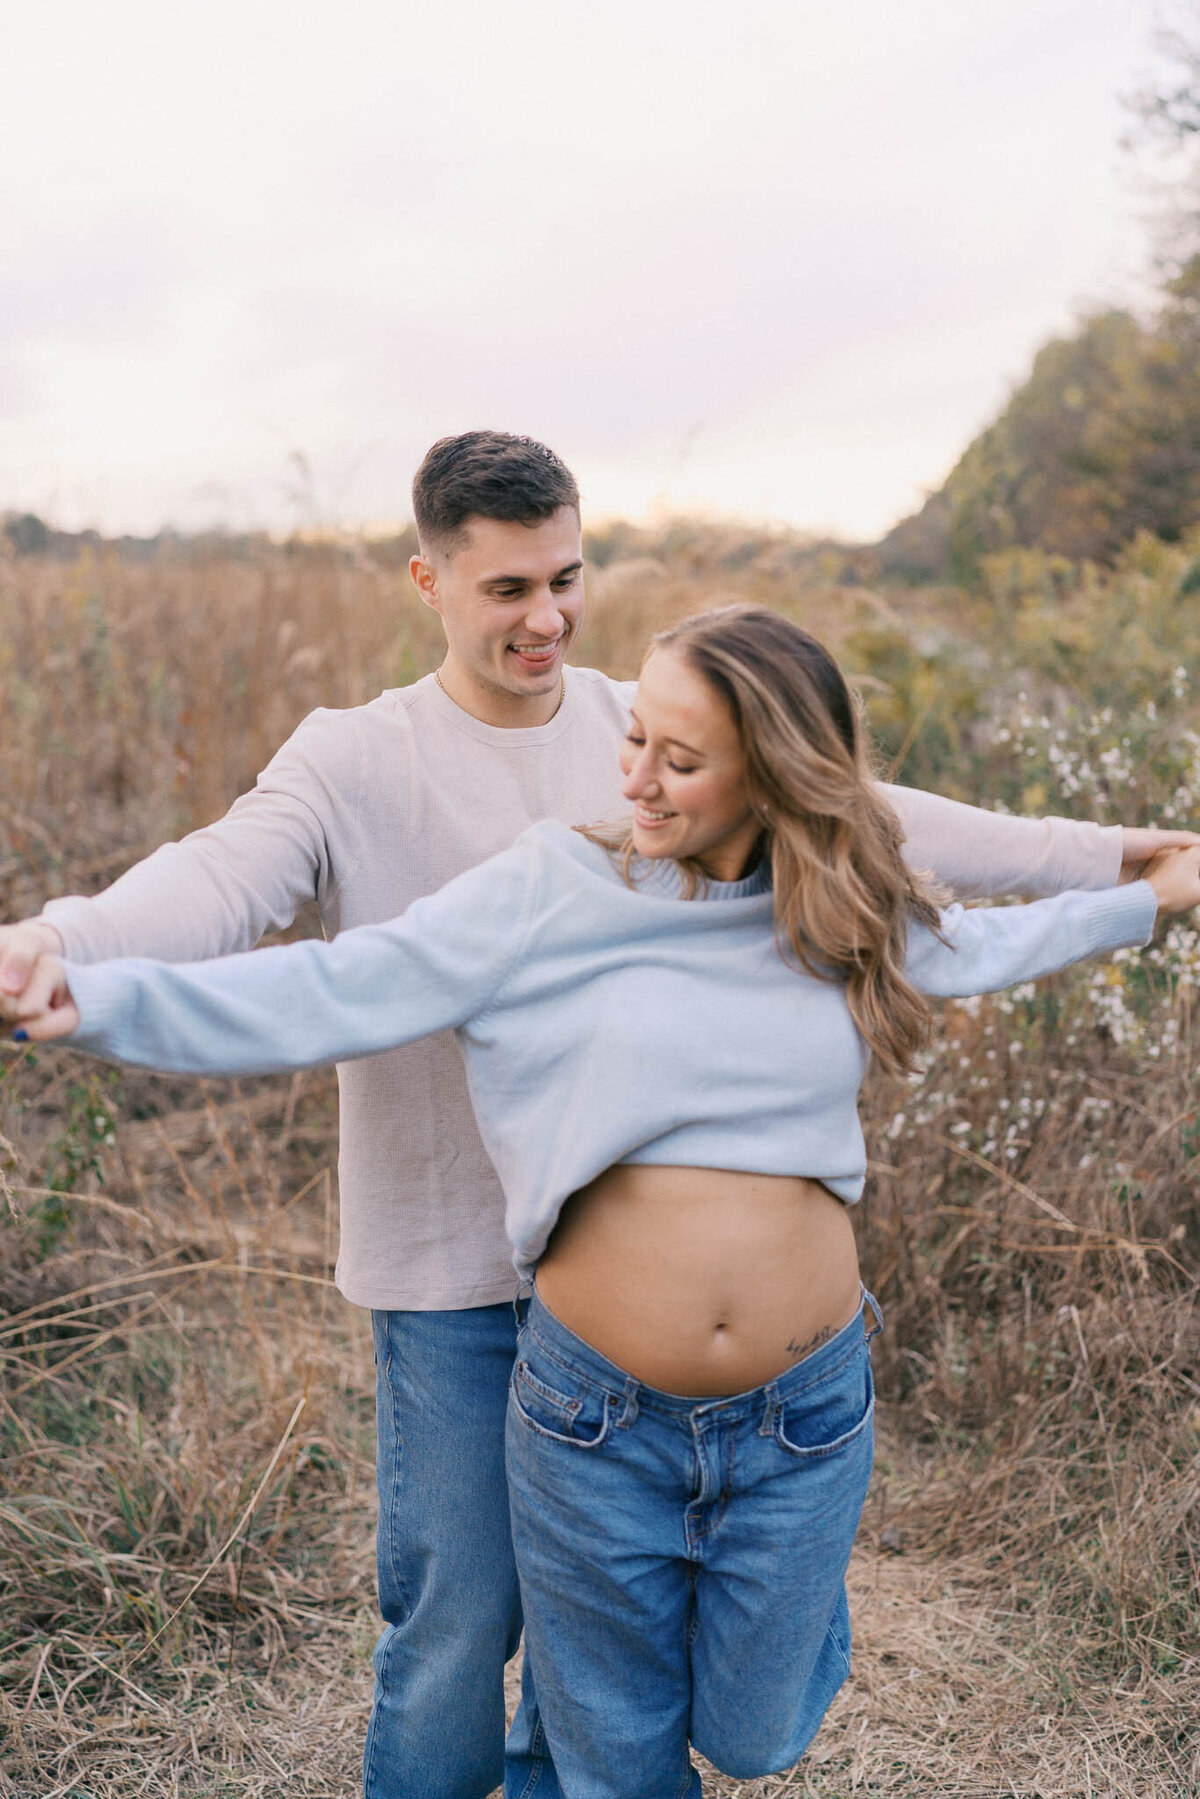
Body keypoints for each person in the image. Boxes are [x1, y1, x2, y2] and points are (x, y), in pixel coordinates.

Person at [1, 435, 1194, 1799]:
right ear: (430, 581)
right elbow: (242, 915)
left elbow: (889, 828)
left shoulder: (662, 725)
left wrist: (1128, 865)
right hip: (458, 1272)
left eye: (567, 579)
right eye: (509, 589)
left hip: (698, 1349)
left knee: (630, 1696)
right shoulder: (370, 767)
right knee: (465, 1627)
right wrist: (62, 955)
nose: (548, 619)